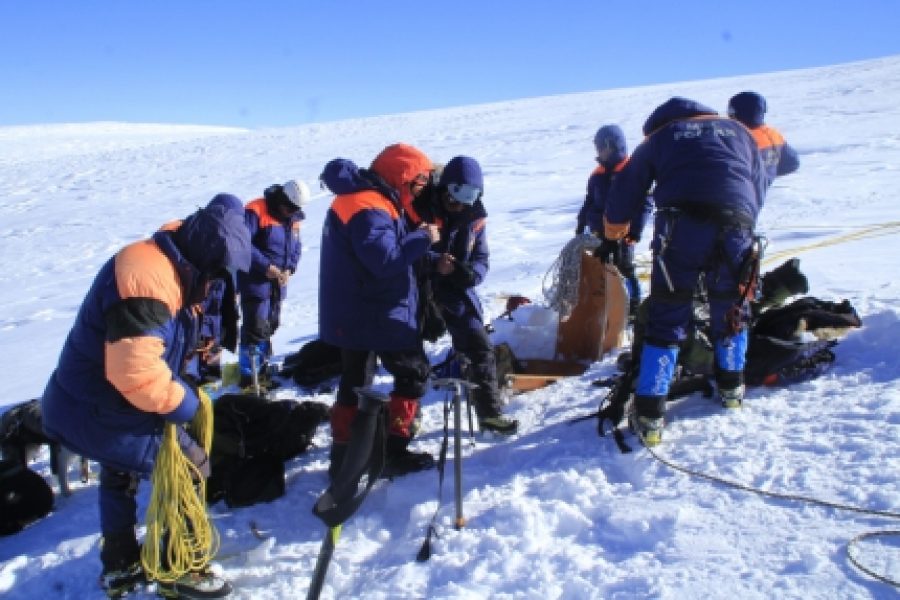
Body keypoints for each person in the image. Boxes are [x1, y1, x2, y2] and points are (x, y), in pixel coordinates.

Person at [41, 194, 250, 598]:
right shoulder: (149, 280)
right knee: (190, 465)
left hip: (91, 401)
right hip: (101, 408)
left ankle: (121, 565)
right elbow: (135, 373)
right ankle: (180, 568)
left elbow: (158, 350)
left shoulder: (169, 265)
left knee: (120, 474)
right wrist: (187, 405)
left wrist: (187, 376)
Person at [604, 97, 767, 446]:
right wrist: (743, 220)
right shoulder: (739, 131)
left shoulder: (660, 138)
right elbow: (758, 181)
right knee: (732, 305)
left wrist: (613, 231)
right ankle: (732, 389)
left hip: (682, 228)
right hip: (737, 223)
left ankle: (649, 413)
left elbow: (627, 189)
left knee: (670, 310)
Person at [319, 143, 440, 478]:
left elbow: (381, 249)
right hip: (378, 310)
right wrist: (424, 239)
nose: (420, 190)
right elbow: (384, 260)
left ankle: (343, 458)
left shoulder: (364, 199)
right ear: (402, 176)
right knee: (412, 373)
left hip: (354, 309)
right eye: (418, 182)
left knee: (355, 379)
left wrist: (424, 255)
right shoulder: (370, 206)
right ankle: (393, 452)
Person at [418, 156, 519, 434]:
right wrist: (432, 262)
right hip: (417, 285)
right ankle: (408, 419)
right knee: (410, 357)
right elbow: (403, 250)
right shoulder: (421, 207)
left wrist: (466, 273)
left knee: (479, 345)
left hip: (454, 287)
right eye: (453, 199)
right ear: (444, 190)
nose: (458, 206)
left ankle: (489, 413)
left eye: (466, 200)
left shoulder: (474, 219)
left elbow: (481, 259)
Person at [236, 179, 310, 388]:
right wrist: (265, 266)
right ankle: (249, 377)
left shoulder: (293, 218)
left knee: (270, 324)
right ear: (281, 201)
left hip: (278, 282)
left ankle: (262, 367)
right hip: (255, 280)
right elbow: (243, 244)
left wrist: (289, 268)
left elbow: (295, 246)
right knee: (255, 327)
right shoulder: (256, 210)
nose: (290, 212)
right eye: (288, 208)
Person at [576, 124, 650, 318]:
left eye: (601, 147)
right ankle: (607, 307)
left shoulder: (632, 171)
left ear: (612, 145)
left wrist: (636, 231)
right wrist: (581, 222)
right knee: (602, 269)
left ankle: (633, 304)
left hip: (622, 233)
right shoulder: (597, 174)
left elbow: (645, 204)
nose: (599, 151)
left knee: (624, 267)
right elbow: (589, 200)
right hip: (598, 231)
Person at [727, 91, 800, 185]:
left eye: (731, 111)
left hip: (743, 191)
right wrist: (768, 174)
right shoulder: (773, 133)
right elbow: (792, 163)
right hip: (764, 188)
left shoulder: (735, 137)